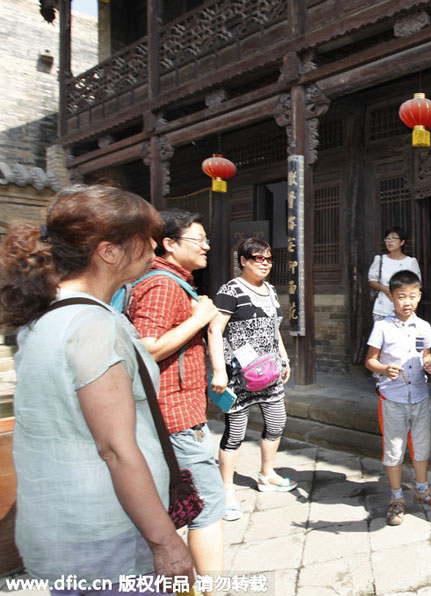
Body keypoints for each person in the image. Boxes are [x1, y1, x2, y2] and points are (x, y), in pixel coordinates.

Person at [0, 185, 193, 594]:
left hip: (58, 528)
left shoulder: (44, 315)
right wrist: (166, 541)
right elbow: (116, 449)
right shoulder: (93, 326)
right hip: (108, 537)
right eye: (146, 238)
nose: (156, 247)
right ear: (109, 250)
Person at [128, 209, 225, 586]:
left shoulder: (169, 282)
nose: (206, 246)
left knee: (177, 509)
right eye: (197, 240)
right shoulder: (163, 285)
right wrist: (199, 319)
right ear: (169, 244)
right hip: (177, 419)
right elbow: (147, 348)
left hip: (173, 416)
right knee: (206, 509)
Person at [208, 238, 297, 522]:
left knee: (277, 423)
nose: (264, 263)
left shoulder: (270, 290)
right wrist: (219, 371)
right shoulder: (230, 291)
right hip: (239, 376)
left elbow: (275, 330)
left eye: (268, 259)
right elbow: (214, 331)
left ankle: (266, 473)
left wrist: (284, 358)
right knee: (235, 433)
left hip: (269, 373)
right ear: (243, 261)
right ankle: (226, 490)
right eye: (258, 258)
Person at [365, 269, 431, 527]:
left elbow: (427, 356)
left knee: (421, 445)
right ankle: (397, 496)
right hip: (393, 398)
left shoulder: (424, 327)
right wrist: (383, 369)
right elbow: (370, 360)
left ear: (419, 296)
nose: (407, 302)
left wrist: (430, 363)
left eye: (412, 296)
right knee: (394, 449)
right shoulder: (382, 327)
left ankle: (422, 489)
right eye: (401, 296)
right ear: (391, 297)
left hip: (420, 397)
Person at [368, 227, 421, 322]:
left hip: (404, 309)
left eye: (394, 238)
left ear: (402, 242)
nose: (390, 241)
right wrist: (385, 289)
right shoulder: (380, 260)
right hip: (382, 309)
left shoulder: (410, 262)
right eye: (387, 238)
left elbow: (416, 285)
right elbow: (372, 281)